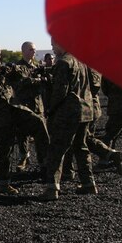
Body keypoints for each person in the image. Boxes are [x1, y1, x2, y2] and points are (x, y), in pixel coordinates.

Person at [0, 44, 50, 195]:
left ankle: (45, 163)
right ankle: (4, 183)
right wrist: (2, 76)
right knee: (5, 150)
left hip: (16, 110)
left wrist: (15, 70)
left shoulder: (2, 69)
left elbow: (22, 79)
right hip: (0, 116)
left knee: (39, 123)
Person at [38, 40, 96, 200]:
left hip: (68, 112)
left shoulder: (64, 63)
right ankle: (88, 183)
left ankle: (52, 188)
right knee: (81, 147)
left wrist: (50, 108)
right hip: (85, 110)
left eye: (54, 44)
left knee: (57, 149)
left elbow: (60, 91)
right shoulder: (81, 61)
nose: (52, 48)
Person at [12, 41, 47, 172]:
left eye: (34, 50)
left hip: (38, 105)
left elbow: (45, 83)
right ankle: (24, 158)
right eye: (31, 49)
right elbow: (21, 83)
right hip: (23, 105)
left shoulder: (37, 66)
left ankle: (42, 160)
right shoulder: (17, 67)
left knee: (40, 135)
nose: (34, 52)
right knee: (22, 134)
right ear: (24, 51)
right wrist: (38, 80)